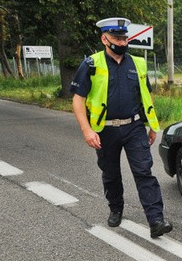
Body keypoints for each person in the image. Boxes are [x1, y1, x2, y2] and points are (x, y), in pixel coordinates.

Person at [70, 17, 173, 238]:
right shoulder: (91, 64)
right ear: (104, 39)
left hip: (134, 126)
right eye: (117, 38)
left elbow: (146, 96)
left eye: (125, 38)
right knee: (111, 173)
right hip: (104, 130)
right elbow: (78, 100)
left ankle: (156, 220)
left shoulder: (138, 64)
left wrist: (152, 126)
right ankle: (116, 208)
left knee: (144, 172)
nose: (122, 42)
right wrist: (87, 130)